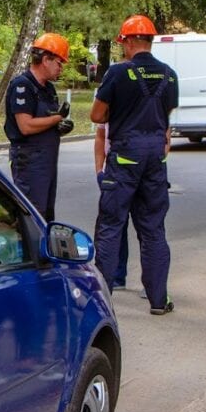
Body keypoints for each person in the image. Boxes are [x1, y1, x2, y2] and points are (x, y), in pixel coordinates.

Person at [90, 15, 178, 314]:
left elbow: (97, 116)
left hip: (125, 159)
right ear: (150, 40)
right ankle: (158, 300)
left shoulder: (118, 73)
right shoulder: (170, 75)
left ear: (128, 41)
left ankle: (102, 300)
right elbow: (166, 119)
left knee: (111, 227)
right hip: (156, 159)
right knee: (153, 229)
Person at [4, 32, 74, 222]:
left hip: (48, 159)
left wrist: (59, 126)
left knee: (46, 215)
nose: (61, 69)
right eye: (59, 63)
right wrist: (57, 118)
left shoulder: (48, 89)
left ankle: (44, 251)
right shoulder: (23, 86)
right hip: (29, 160)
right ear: (46, 60)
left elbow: (46, 120)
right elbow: (25, 126)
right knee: (32, 215)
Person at [94, 122, 129, 289]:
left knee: (147, 228)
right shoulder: (109, 98)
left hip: (143, 170)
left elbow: (164, 135)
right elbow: (100, 135)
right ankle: (116, 277)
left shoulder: (149, 98)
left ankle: (152, 282)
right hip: (113, 171)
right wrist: (99, 170)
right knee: (114, 225)